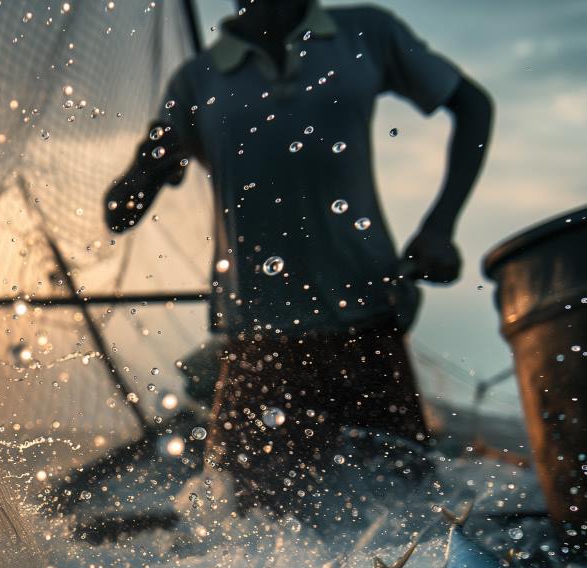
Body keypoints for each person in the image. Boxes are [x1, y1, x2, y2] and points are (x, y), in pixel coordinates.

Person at [106, 0, 493, 518]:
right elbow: (119, 213)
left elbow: (473, 105)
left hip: (367, 328)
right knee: (243, 535)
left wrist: (440, 228)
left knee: (408, 519)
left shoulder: (364, 34)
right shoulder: (197, 81)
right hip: (259, 345)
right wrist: (148, 165)